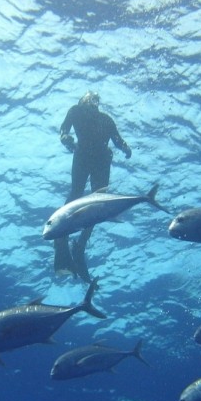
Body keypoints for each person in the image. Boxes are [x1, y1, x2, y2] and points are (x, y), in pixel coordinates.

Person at [54, 91, 132, 278]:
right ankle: (61, 238)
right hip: (83, 156)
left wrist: (125, 147)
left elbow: (117, 139)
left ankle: (81, 243)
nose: (91, 103)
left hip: (101, 159)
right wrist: (65, 138)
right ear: (82, 101)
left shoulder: (106, 119)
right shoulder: (76, 111)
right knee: (77, 193)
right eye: (88, 100)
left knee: (99, 201)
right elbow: (64, 130)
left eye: (94, 101)